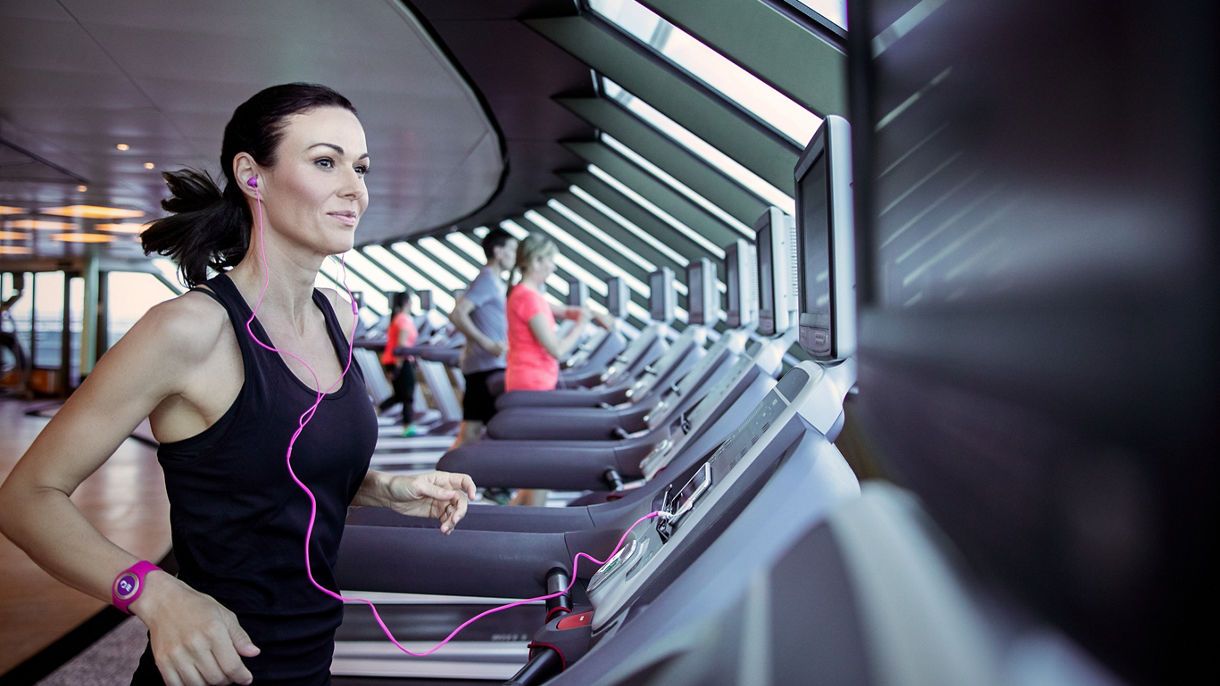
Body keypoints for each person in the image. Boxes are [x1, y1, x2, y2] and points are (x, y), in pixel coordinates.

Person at [0, 83, 476, 686]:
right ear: (252, 176)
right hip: (212, 673)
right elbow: (27, 498)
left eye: (361, 167)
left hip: (309, 662)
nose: (355, 188)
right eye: (325, 162)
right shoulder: (189, 330)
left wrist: (384, 488)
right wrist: (153, 593)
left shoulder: (338, 315)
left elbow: (264, 472)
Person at [503, 234, 611, 506]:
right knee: (541, 466)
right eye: (550, 260)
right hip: (533, 385)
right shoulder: (530, 298)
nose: (553, 266)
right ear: (536, 261)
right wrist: (581, 326)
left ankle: (517, 518)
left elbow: (559, 310)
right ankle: (530, 528)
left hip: (526, 380)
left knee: (535, 466)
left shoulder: (522, 293)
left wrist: (586, 314)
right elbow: (557, 350)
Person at [447, 228, 516, 449]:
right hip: (485, 366)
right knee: (475, 429)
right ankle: (447, 477)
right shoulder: (487, 279)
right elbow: (458, 314)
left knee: (477, 427)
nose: (515, 255)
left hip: (487, 364)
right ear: (498, 251)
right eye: (512, 249)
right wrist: (486, 343)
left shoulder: (494, 281)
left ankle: (455, 476)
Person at [380, 290, 421, 436]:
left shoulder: (398, 318)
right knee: (407, 395)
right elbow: (401, 346)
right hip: (400, 361)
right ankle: (408, 427)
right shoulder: (403, 319)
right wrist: (397, 367)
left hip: (399, 361)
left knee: (400, 395)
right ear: (406, 303)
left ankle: (373, 411)